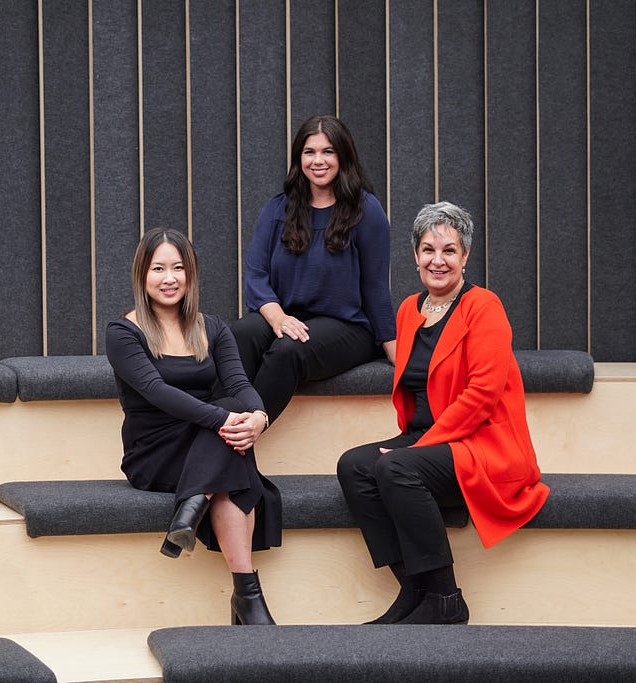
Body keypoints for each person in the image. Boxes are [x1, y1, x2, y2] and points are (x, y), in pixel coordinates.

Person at [336, 201, 550, 625]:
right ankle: (415, 588)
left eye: (449, 250)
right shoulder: (409, 311)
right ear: (416, 256)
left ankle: (447, 599)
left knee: (395, 468)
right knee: (354, 466)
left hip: (482, 443)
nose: (438, 260)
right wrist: (415, 444)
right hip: (428, 440)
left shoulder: (484, 307)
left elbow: (482, 395)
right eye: (429, 250)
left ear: (465, 256)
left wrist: (419, 446)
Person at [106, 227, 282, 626]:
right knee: (231, 438)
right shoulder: (123, 331)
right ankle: (247, 599)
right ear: (142, 275)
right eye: (158, 269)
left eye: (178, 268)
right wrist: (227, 420)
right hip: (154, 452)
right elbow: (155, 391)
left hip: (206, 445)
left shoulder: (213, 327)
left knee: (235, 410)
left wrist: (259, 418)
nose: (169, 278)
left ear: (191, 274)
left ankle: (196, 508)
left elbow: (240, 383)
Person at [232, 114, 397, 424]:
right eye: (310, 152)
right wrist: (279, 318)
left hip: (349, 327)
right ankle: (220, 422)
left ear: (343, 156)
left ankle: (248, 427)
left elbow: (376, 289)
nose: (318, 160)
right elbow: (256, 276)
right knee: (241, 333)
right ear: (299, 158)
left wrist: (397, 355)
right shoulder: (277, 209)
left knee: (287, 350)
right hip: (289, 318)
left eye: (328, 151)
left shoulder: (366, 210)